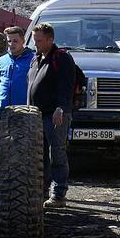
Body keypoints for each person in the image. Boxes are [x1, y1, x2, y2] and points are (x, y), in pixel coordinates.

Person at [27, 23, 76, 208]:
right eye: (34, 40)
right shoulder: (36, 58)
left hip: (55, 115)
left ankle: (58, 194)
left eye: (39, 40)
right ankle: (41, 192)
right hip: (36, 115)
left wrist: (61, 108)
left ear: (50, 39)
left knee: (56, 153)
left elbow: (66, 86)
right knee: (39, 156)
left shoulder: (61, 58)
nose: (35, 44)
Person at [0, 26, 35, 111]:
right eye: (9, 41)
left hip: (24, 110)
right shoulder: (0, 61)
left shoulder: (33, 60)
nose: (11, 44)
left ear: (23, 41)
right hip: (2, 110)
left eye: (15, 41)